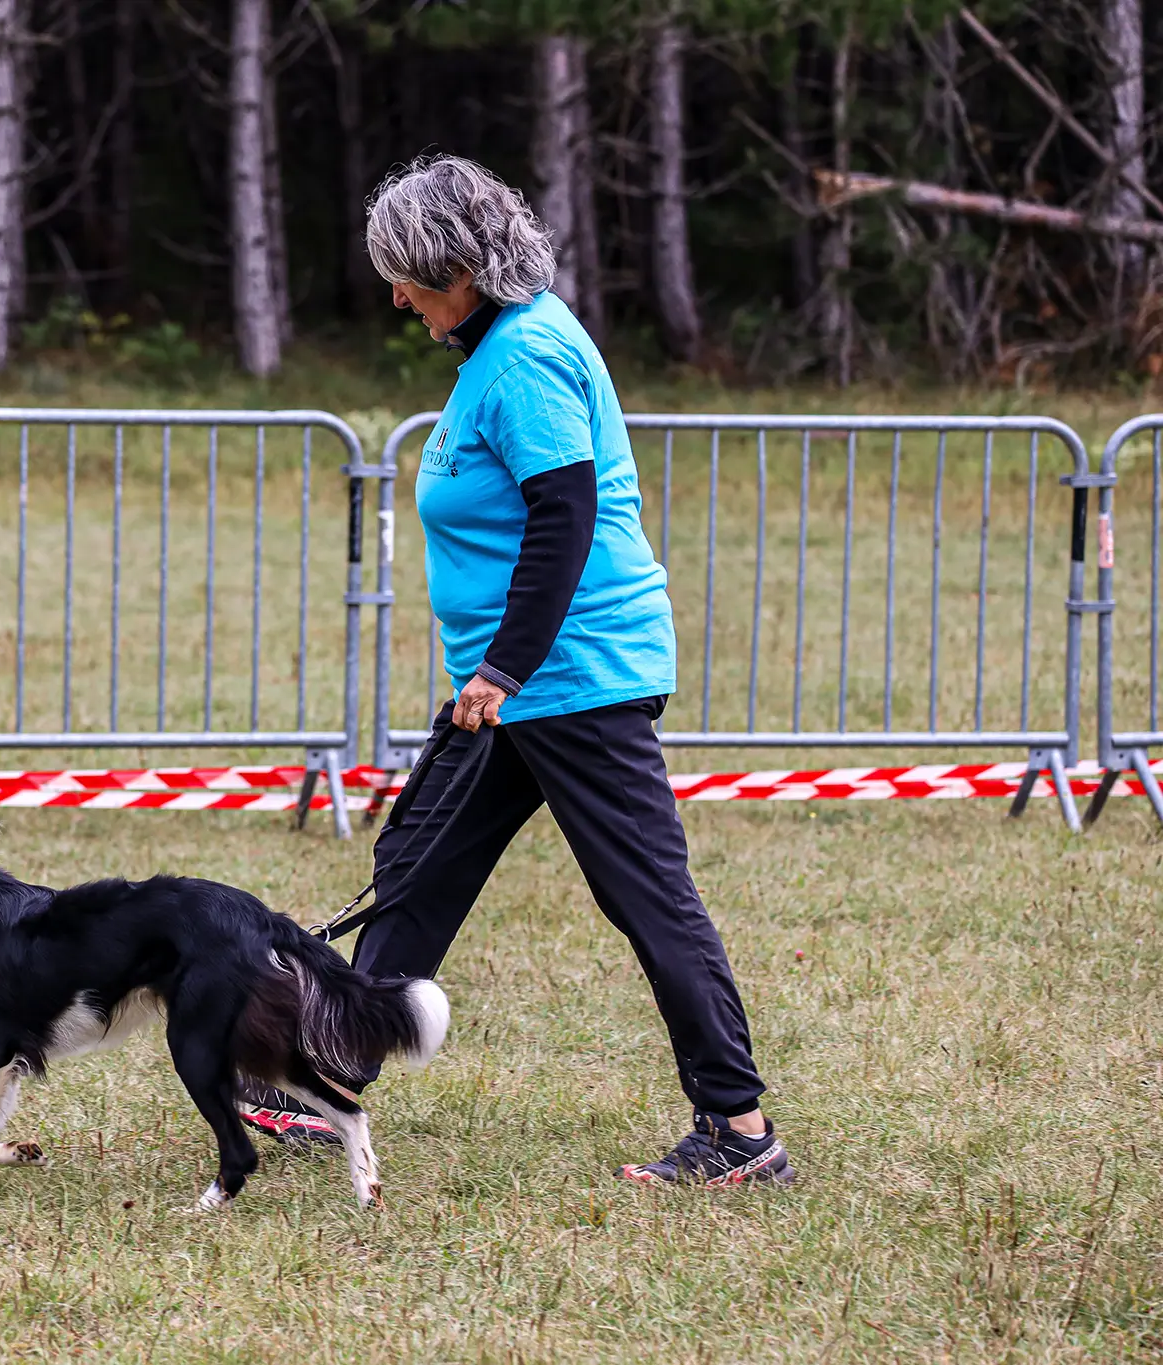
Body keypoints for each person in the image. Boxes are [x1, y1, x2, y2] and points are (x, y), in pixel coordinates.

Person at [237, 153, 793, 1187]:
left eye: (402, 276)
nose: (394, 296)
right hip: (511, 690)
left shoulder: (528, 353)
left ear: (453, 267)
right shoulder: (495, 351)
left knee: (648, 899)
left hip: (570, 680)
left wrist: (502, 666)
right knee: (414, 868)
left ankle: (738, 1132)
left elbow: (563, 516)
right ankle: (322, 1079)